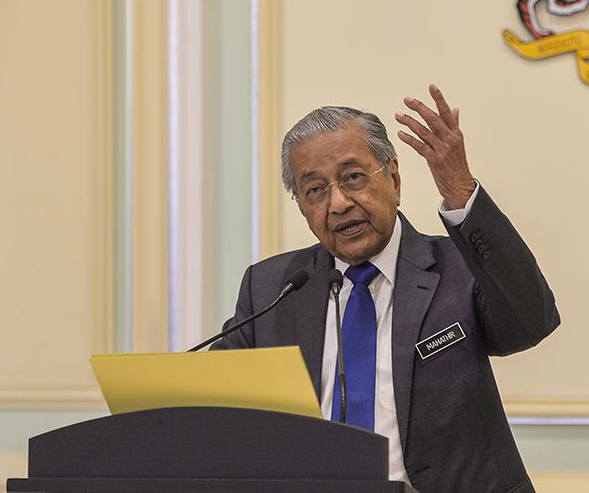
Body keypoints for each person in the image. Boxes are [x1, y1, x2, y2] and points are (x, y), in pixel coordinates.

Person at [213, 85, 559, 492]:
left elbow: (531, 321)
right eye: (315, 190)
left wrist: (461, 191)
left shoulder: (458, 268)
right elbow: (214, 399)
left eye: (353, 178)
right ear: (302, 206)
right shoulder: (273, 287)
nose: (338, 203)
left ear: (393, 178)